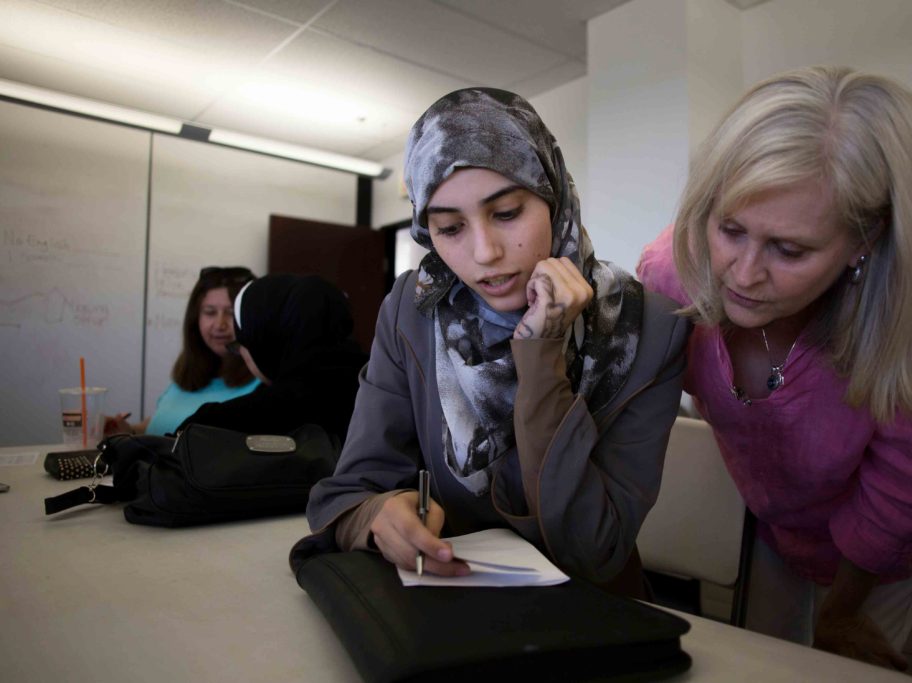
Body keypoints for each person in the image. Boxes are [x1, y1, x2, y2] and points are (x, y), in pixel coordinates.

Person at [292, 88, 689, 598]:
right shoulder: (413, 312)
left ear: (554, 197)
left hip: (591, 620)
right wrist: (377, 515)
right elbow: (350, 489)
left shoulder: (647, 328)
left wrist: (542, 352)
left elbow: (593, 547)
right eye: (450, 227)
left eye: (506, 213)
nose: (484, 253)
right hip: (442, 608)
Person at [636, 66, 912, 667]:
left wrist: (843, 612)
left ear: (863, 241)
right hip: (768, 518)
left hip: (877, 554)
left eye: (790, 250)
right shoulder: (670, 274)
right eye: (730, 229)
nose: (741, 274)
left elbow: (906, 485)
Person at [177, 273, 367, 441]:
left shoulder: (215, 424)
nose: (219, 325)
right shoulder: (384, 394)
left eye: (241, 344)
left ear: (267, 342)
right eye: (210, 312)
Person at [104, 266, 260, 437]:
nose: (219, 324)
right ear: (195, 319)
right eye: (210, 312)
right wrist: (130, 431)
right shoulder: (187, 377)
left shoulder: (262, 384)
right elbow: (161, 424)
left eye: (230, 313)